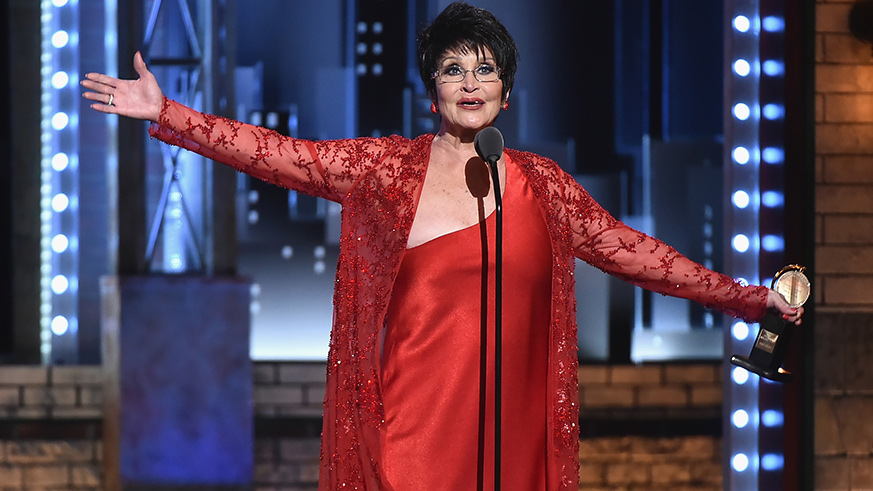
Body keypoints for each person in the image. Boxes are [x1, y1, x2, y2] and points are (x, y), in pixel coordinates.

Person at [82, 3, 802, 490]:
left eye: (485, 69)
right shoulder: (384, 173)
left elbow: (636, 253)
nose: (470, 82)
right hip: (410, 447)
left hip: (511, 448)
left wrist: (750, 298)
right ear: (431, 90)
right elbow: (278, 153)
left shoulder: (542, 187)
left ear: (506, 93)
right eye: (454, 69)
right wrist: (169, 113)